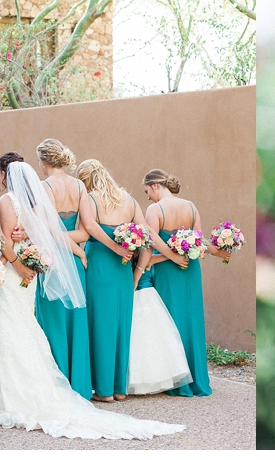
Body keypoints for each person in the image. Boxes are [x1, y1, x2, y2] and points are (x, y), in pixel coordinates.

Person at [0, 153, 185, 439]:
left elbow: (69, 230)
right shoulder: (94, 195)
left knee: (26, 326)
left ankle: (21, 389)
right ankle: (105, 386)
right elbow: (60, 230)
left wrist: (7, 261)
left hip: (28, 266)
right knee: (52, 326)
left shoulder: (13, 200)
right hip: (55, 263)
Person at [76, 158, 186, 402]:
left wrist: (114, 248)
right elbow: (147, 236)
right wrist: (137, 273)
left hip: (100, 266)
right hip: (124, 271)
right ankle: (119, 389)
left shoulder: (90, 198)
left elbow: (91, 227)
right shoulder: (129, 200)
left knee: (100, 324)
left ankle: (103, 391)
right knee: (120, 326)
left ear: (87, 180)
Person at [142, 169, 228, 397]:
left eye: (147, 191)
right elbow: (198, 242)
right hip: (190, 269)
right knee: (190, 318)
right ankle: (196, 378)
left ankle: (177, 378)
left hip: (169, 270)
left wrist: (167, 258)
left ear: (156, 185)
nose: (148, 197)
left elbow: (150, 242)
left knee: (170, 319)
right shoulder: (191, 206)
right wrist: (219, 252)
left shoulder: (155, 209)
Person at [30, 139, 92, 400]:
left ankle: (59, 384)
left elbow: (49, 232)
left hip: (53, 261)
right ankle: (78, 383)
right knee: (74, 319)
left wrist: (71, 249)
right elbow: (87, 229)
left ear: (44, 163)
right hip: (76, 262)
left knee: (54, 320)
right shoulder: (78, 185)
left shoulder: (44, 186)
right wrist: (77, 249)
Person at [126, 248, 193, 395]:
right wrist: (179, 252)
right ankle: (157, 377)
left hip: (133, 298)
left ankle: (134, 380)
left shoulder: (126, 260)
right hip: (148, 297)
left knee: (136, 338)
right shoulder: (148, 259)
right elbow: (165, 257)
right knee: (154, 338)